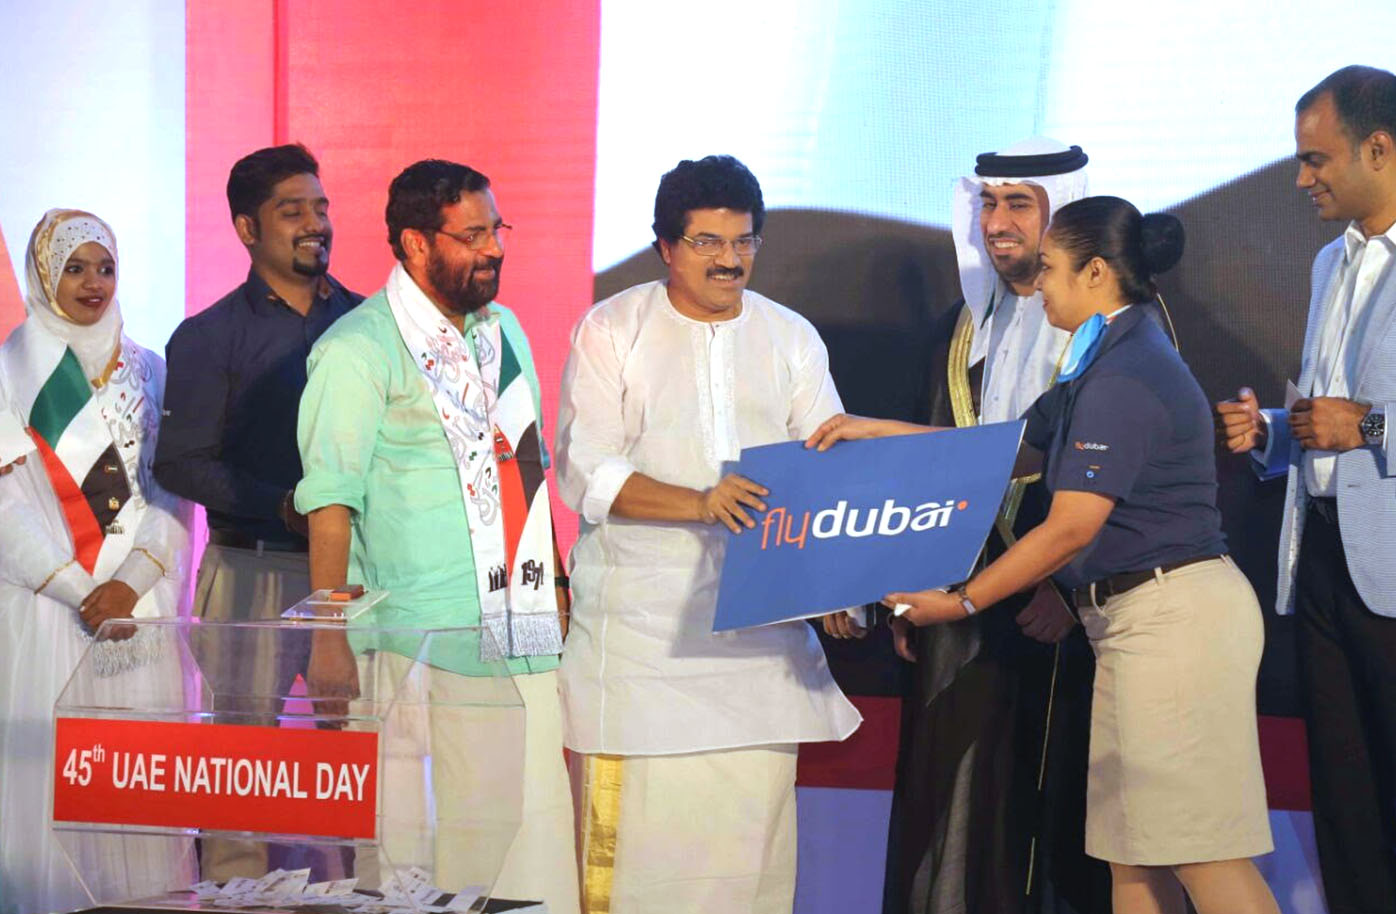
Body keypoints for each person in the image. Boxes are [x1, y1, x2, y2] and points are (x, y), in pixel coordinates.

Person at [811, 197, 1278, 914]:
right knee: (1132, 856)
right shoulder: (1099, 359)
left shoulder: (1125, 374)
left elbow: (1069, 529)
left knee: (1202, 852)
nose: (1038, 286)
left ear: (1096, 273)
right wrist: (875, 431)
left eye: (1052, 270)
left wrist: (961, 602)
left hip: (1175, 626)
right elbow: (1001, 453)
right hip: (1134, 624)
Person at [555, 154, 861, 914]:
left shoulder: (789, 336)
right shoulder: (612, 329)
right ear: (666, 246)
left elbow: (827, 463)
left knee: (748, 862)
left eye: (744, 241)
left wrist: (837, 582)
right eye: (707, 243)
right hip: (641, 645)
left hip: (762, 647)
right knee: (639, 866)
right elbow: (586, 470)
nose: (730, 259)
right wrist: (700, 503)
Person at [295, 159, 579, 913]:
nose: (495, 248)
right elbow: (331, 502)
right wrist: (329, 636)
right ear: (417, 243)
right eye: (473, 234)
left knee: (531, 838)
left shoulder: (505, 330)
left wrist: (555, 582)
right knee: (420, 852)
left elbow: (528, 466)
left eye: (497, 229)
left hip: (519, 626)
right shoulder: (358, 349)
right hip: (415, 639)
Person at [868, 136, 1108, 914]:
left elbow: (1131, 475)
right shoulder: (958, 330)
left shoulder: (1113, 328)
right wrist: (905, 587)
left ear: (1062, 213)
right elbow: (925, 468)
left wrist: (1069, 589)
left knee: (1044, 821)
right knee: (950, 810)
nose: (998, 222)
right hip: (954, 613)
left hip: (1058, 617)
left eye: (1019, 204)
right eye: (988, 202)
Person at [1216, 64, 1396, 914]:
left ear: (1379, 149)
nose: (1301, 179)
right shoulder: (1331, 262)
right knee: (1344, 793)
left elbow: (1361, 423)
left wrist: (1369, 429)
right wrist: (1276, 433)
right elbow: (1329, 414)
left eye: (1316, 159)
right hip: (1321, 556)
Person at [154, 144, 361, 879]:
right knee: (241, 762)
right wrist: (278, 505)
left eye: (321, 207)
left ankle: (365, 889)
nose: (316, 223)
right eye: (292, 211)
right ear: (247, 228)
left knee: (360, 760)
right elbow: (180, 462)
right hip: (250, 566)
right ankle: (235, 890)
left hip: (357, 579)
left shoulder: (368, 324)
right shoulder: (208, 336)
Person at [0, 209, 193, 914]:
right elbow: (5, 507)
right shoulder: (10, 372)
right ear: (44, 276)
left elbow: (174, 491)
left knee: (138, 780)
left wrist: (130, 584)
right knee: (55, 780)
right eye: (75, 268)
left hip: (139, 610)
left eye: (105, 267)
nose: (93, 283)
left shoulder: (153, 371)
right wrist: (83, 590)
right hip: (52, 611)